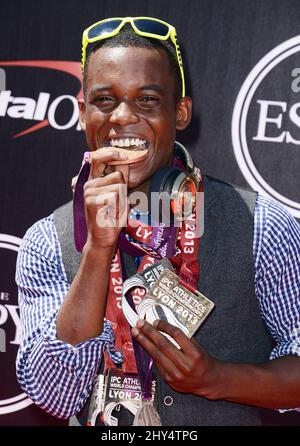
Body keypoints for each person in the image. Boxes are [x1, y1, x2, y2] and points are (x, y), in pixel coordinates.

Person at [16, 17, 300, 426]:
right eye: (105, 100)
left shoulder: (261, 224)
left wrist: (218, 379)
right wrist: (97, 249)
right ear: (82, 113)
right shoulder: (47, 239)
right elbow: (54, 394)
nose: (123, 118)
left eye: (147, 99)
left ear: (180, 111)